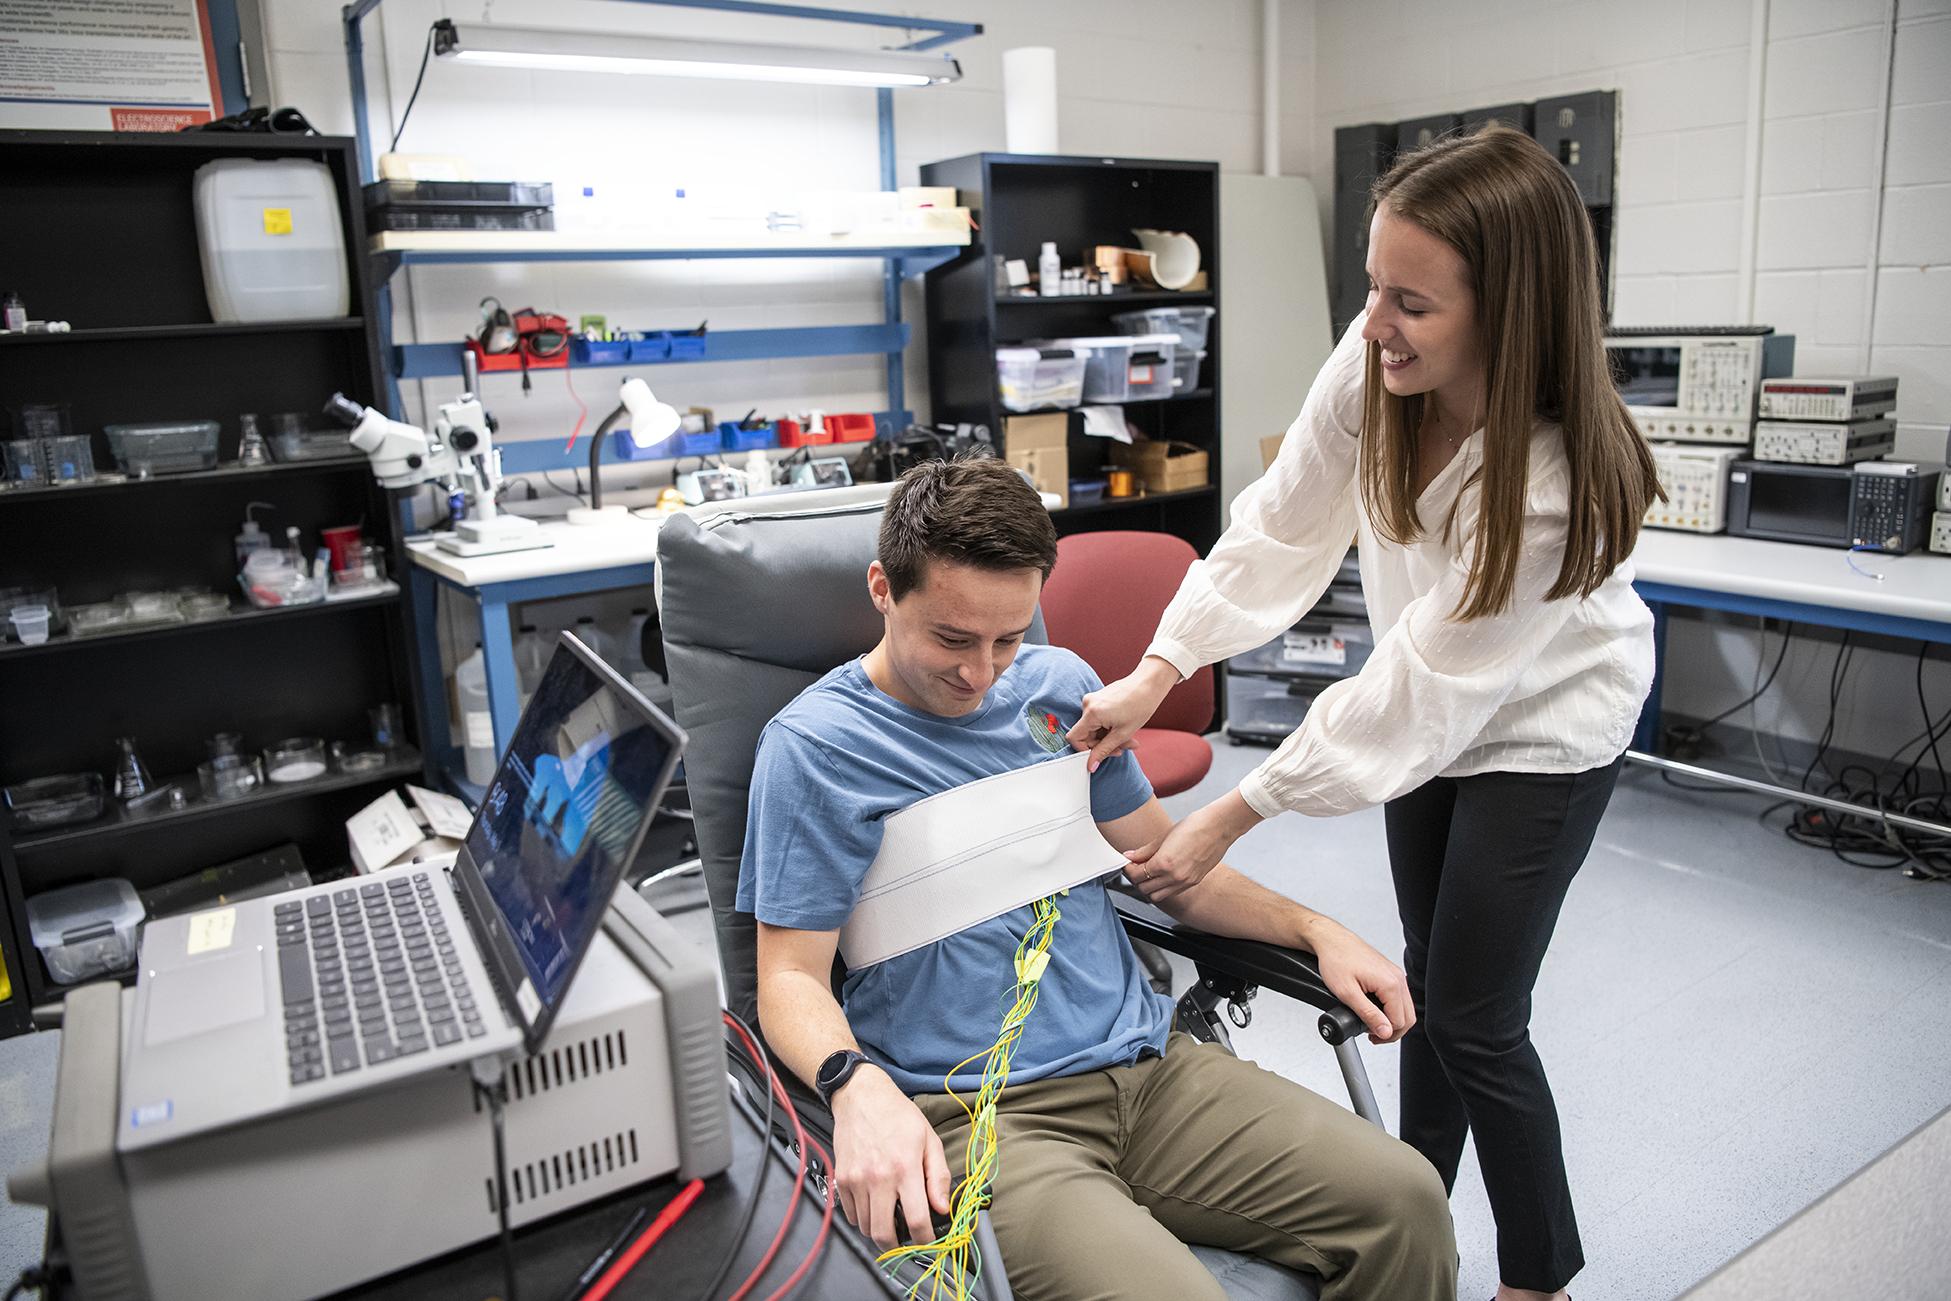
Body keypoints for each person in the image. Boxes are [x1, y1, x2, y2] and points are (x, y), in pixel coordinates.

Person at [1070, 125, 1661, 1301]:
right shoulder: (1379, 354)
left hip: (1542, 730)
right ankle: (1411, 1215)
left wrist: (1230, 814)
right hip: (1430, 709)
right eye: (1374, 289)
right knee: (1432, 989)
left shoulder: (1553, 486)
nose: (1376, 323)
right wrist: (1157, 665)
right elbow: (1281, 521)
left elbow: (1417, 692)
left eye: (1413, 304)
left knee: (1480, 1018)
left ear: (1509, 310)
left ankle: (1537, 1276)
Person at [738, 456, 1458, 1301]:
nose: (981, 674)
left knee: (1406, 1201)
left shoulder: (1060, 693)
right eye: (952, 638)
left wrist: (1312, 927)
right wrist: (853, 1088)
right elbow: (787, 975)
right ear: (882, 590)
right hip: (979, 1116)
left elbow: (1168, 870)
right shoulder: (817, 750)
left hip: (1150, 1071)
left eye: (1008, 637)